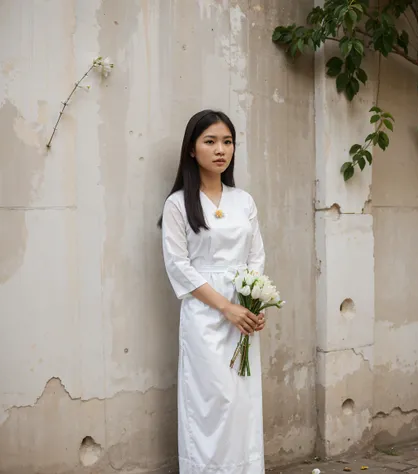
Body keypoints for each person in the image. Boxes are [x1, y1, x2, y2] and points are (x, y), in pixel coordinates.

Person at [159, 109, 266, 474]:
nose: (221, 149)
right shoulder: (177, 204)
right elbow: (179, 266)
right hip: (205, 315)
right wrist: (225, 307)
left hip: (242, 315)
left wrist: (251, 304)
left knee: (241, 401)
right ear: (192, 149)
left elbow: (256, 257)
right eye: (210, 141)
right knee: (210, 400)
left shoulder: (244, 201)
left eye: (227, 141)